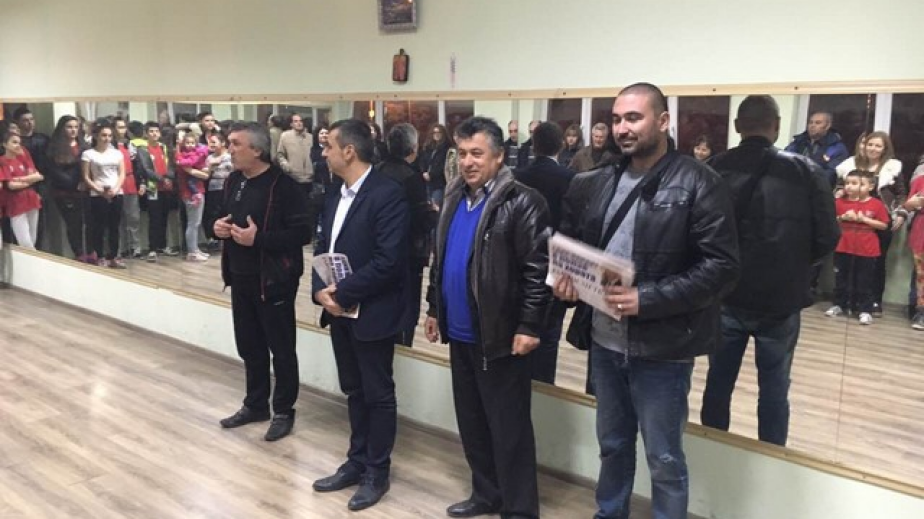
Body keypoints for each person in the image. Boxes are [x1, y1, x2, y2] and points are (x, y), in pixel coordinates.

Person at [555, 83, 739, 519]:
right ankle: (609, 513)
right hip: (605, 341)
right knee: (612, 444)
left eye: (634, 118)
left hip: (664, 349)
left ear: (663, 121)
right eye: (617, 119)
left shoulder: (699, 181)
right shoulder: (599, 180)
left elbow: (722, 268)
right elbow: (579, 244)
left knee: (665, 459)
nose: (622, 128)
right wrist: (567, 283)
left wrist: (647, 299)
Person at [424, 116, 551, 519]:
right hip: (460, 332)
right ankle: (486, 494)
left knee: (509, 429)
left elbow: (538, 271)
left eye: (477, 153)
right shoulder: (453, 195)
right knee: (473, 422)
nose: (468, 162)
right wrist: (433, 308)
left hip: (501, 336)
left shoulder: (524, 201)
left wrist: (529, 325)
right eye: (462, 153)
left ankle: (519, 509)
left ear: (499, 156)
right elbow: (440, 258)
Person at [700, 95, 840, 446]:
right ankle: (772, 455)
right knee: (775, 389)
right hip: (782, 297)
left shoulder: (713, 168)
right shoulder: (807, 171)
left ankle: (712, 450)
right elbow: (828, 237)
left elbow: (698, 233)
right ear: (776, 126)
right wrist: (795, 265)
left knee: (718, 382)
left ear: (737, 127)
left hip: (727, 293)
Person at [311, 119, 408, 511]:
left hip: (373, 310)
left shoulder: (388, 193)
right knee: (353, 389)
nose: (324, 153)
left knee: (377, 394)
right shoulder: (335, 193)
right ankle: (357, 460)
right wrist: (320, 291)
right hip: (339, 311)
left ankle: (376, 472)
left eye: (328, 147)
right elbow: (322, 245)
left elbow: (389, 261)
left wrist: (343, 292)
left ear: (349, 151)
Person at [213, 122, 311, 442]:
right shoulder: (233, 181)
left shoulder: (284, 187)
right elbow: (222, 217)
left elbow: (302, 234)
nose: (229, 149)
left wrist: (259, 239)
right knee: (250, 345)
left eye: (235, 144)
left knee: (281, 349)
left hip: (274, 280)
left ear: (257, 150)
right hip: (240, 276)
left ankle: (283, 411)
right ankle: (255, 405)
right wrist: (218, 228)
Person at [514, 121, 575, 384]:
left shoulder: (517, 177)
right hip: (556, 261)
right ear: (560, 145)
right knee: (548, 337)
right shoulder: (570, 179)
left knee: (519, 325)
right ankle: (543, 387)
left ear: (534, 146)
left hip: (520, 262)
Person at [835, 131, 906, 317]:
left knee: (876, 262)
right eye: (870, 144)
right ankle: (848, 301)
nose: (873, 148)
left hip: (880, 217)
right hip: (851, 219)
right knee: (848, 262)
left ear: (884, 149)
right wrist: (839, 193)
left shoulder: (892, 167)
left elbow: (901, 194)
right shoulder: (849, 165)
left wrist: (901, 213)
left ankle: (873, 301)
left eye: (878, 145)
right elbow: (839, 187)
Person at [378, 123, 436, 346]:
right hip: (407, 253)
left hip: (379, 250)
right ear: (413, 148)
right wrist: (434, 214)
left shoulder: (376, 171)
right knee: (406, 310)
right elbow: (420, 220)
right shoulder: (412, 177)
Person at [825, 170, 890, 325]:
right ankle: (839, 304)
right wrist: (843, 217)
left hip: (867, 249)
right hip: (843, 246)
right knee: (841, 278)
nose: (850, 186)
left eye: (855, 183)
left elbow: (883, 225)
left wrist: (865, 220)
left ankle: (865, 310)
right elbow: (829, 221)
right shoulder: (839, 203)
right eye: (847, 183)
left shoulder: (876, 204)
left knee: (864, 280)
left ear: (870, 187)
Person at [81, 121, 126, 268]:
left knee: (114, 226)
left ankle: (114, 256)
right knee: (99, 227)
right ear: (96, 136)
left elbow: (122, 174)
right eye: (103, 135)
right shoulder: (88, 154)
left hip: (116, 193)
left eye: (109, 136)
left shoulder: (117, 153)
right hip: (97, 194)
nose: (107, 138)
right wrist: (100, 191)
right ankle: (100, 256)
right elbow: (86, 177)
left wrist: (116, 189)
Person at [46, 115, 92, 262]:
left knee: (88, 222)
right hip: (64, 192)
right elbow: (53, 171)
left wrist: (84, 181)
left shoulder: (84, 146)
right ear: (62, 128)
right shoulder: (54, 147)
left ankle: (91, 251)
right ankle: (79, 253)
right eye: (69, 127)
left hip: (84, 189)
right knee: (73, 223)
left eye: (75, 127)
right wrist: (73, 183)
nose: (73, 130)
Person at [134, 122, 179, 262]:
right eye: (151, 131)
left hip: (166, 188)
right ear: (146, 133)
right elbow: (146, 169)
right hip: (153, 188)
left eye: (156, 131)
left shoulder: (163, 147)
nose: (154, 134)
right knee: (154, 219)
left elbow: (170, 165)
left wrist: (169, 178)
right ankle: (152, 248)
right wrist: (161, 179)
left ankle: (162, 246)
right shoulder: (142, 149)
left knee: (164, 217)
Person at [0, 132, 43, 249]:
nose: (18, 145)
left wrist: (20, 179)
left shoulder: (23, 158)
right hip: (16, 203)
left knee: (33, 238)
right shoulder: (3, 161)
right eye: (14, 142)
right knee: (25, 242)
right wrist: (29, 180)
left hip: (31, 199)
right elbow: (11, 185)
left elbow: (38, 176)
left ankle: (32, 259)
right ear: (5, 144)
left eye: (19, 143)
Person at [785, 111, 849, 187]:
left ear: (827, 126)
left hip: (818, 189)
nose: (812, 125)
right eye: (810, 122)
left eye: (818, 123)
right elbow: (785, 162)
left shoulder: (836, 148)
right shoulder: (798, 142)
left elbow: (830, 175)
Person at [175, 133, 211, 261]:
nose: (190, 145)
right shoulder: (182, 157)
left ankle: (195, 249)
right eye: (187, 142)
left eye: (192, 142)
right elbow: (197, 172)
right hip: (190, 194)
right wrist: (204, 173)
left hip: (198, 190)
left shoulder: (196, 153)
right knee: (193, 223)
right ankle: (192, 252)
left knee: (196, 223)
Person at [113, 116, 143, 259]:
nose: (122, 130)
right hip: (116, 183)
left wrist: (141, 182)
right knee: (118, 218)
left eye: (124, 127)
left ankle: (135, 246)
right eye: (119, 127)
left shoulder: (130, 145)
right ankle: (119, 248)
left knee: (133, 217)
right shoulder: (111, 146)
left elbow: (137, 165)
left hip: (130, 181)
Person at [203, 132, 233, 244]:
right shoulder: (209, 158)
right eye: (210, 142)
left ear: (223, 143)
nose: (212, 144)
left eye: (214, 142)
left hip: (227, 189)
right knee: (213, 212)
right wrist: (211, 166)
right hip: (213, 189)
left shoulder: (230, 156)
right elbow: (206, 174)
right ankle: (214, 238)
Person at [903, 176, 924, 329]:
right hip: (921, 229)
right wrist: (912, 203)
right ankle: (921, 313)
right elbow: (908, 205)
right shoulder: (920, 180)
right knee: (921, 275)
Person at [419, 123, 452, 207]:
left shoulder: (447, 149)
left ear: (443, 134)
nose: (436, 135)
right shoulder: (428, 147)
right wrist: (423, 172)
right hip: (427, 183)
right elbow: (422, 161)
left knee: (437, 204)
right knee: (428, 205)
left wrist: (431, 175)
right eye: (434, 132)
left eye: (439, 132)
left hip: (439, 183)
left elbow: (444, 165)